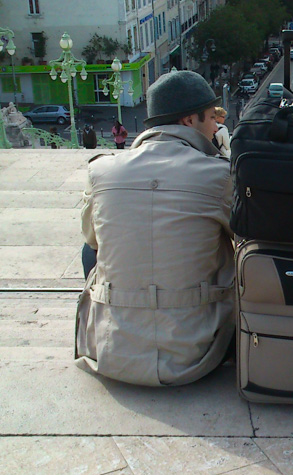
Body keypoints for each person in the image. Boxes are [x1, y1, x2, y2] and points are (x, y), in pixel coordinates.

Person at [76, 70, 235, 386]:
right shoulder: (219, 174)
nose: (217, 126)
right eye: (212, 119)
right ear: (189, 121)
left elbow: (91, 241)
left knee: (90, 247)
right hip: (197, 354)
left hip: (108, 352)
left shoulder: (102, 170)